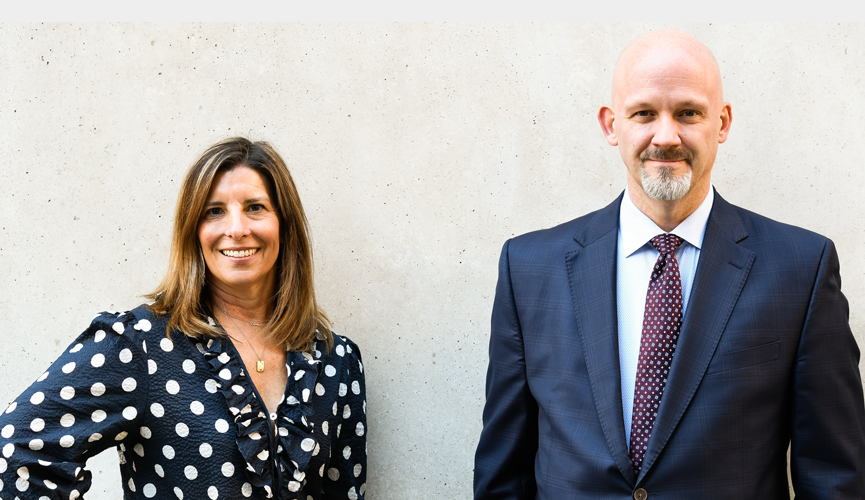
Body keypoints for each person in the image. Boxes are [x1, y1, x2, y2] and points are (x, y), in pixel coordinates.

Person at [474, 29, 865, 499]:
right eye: (643, 113)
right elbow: (504, 471)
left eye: (688, 113)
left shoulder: (801, 269)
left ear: (722, 123)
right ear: (611, 125)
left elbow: (833, 475)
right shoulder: (529, 268)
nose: (665, 136)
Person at [0, 138, 367, 500]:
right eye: (214, 211)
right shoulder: (141, 345)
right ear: (193, 229)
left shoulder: (336, 361)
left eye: (255, 207)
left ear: (284, 224)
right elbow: (17, 447)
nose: (237, 228)